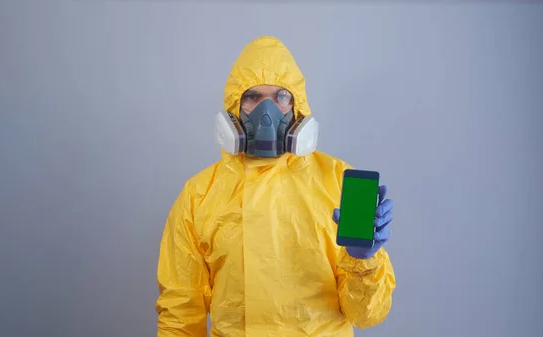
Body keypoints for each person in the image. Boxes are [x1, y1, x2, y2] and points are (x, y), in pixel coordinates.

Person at [155, 36, 396, 337]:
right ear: (234, 107)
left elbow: (367, 315)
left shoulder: (336, 179)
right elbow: (180, 311)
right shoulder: (199, 194)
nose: (266, 111)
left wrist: (364, 261)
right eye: (252, 97)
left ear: (297, 106)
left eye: (281, 96)